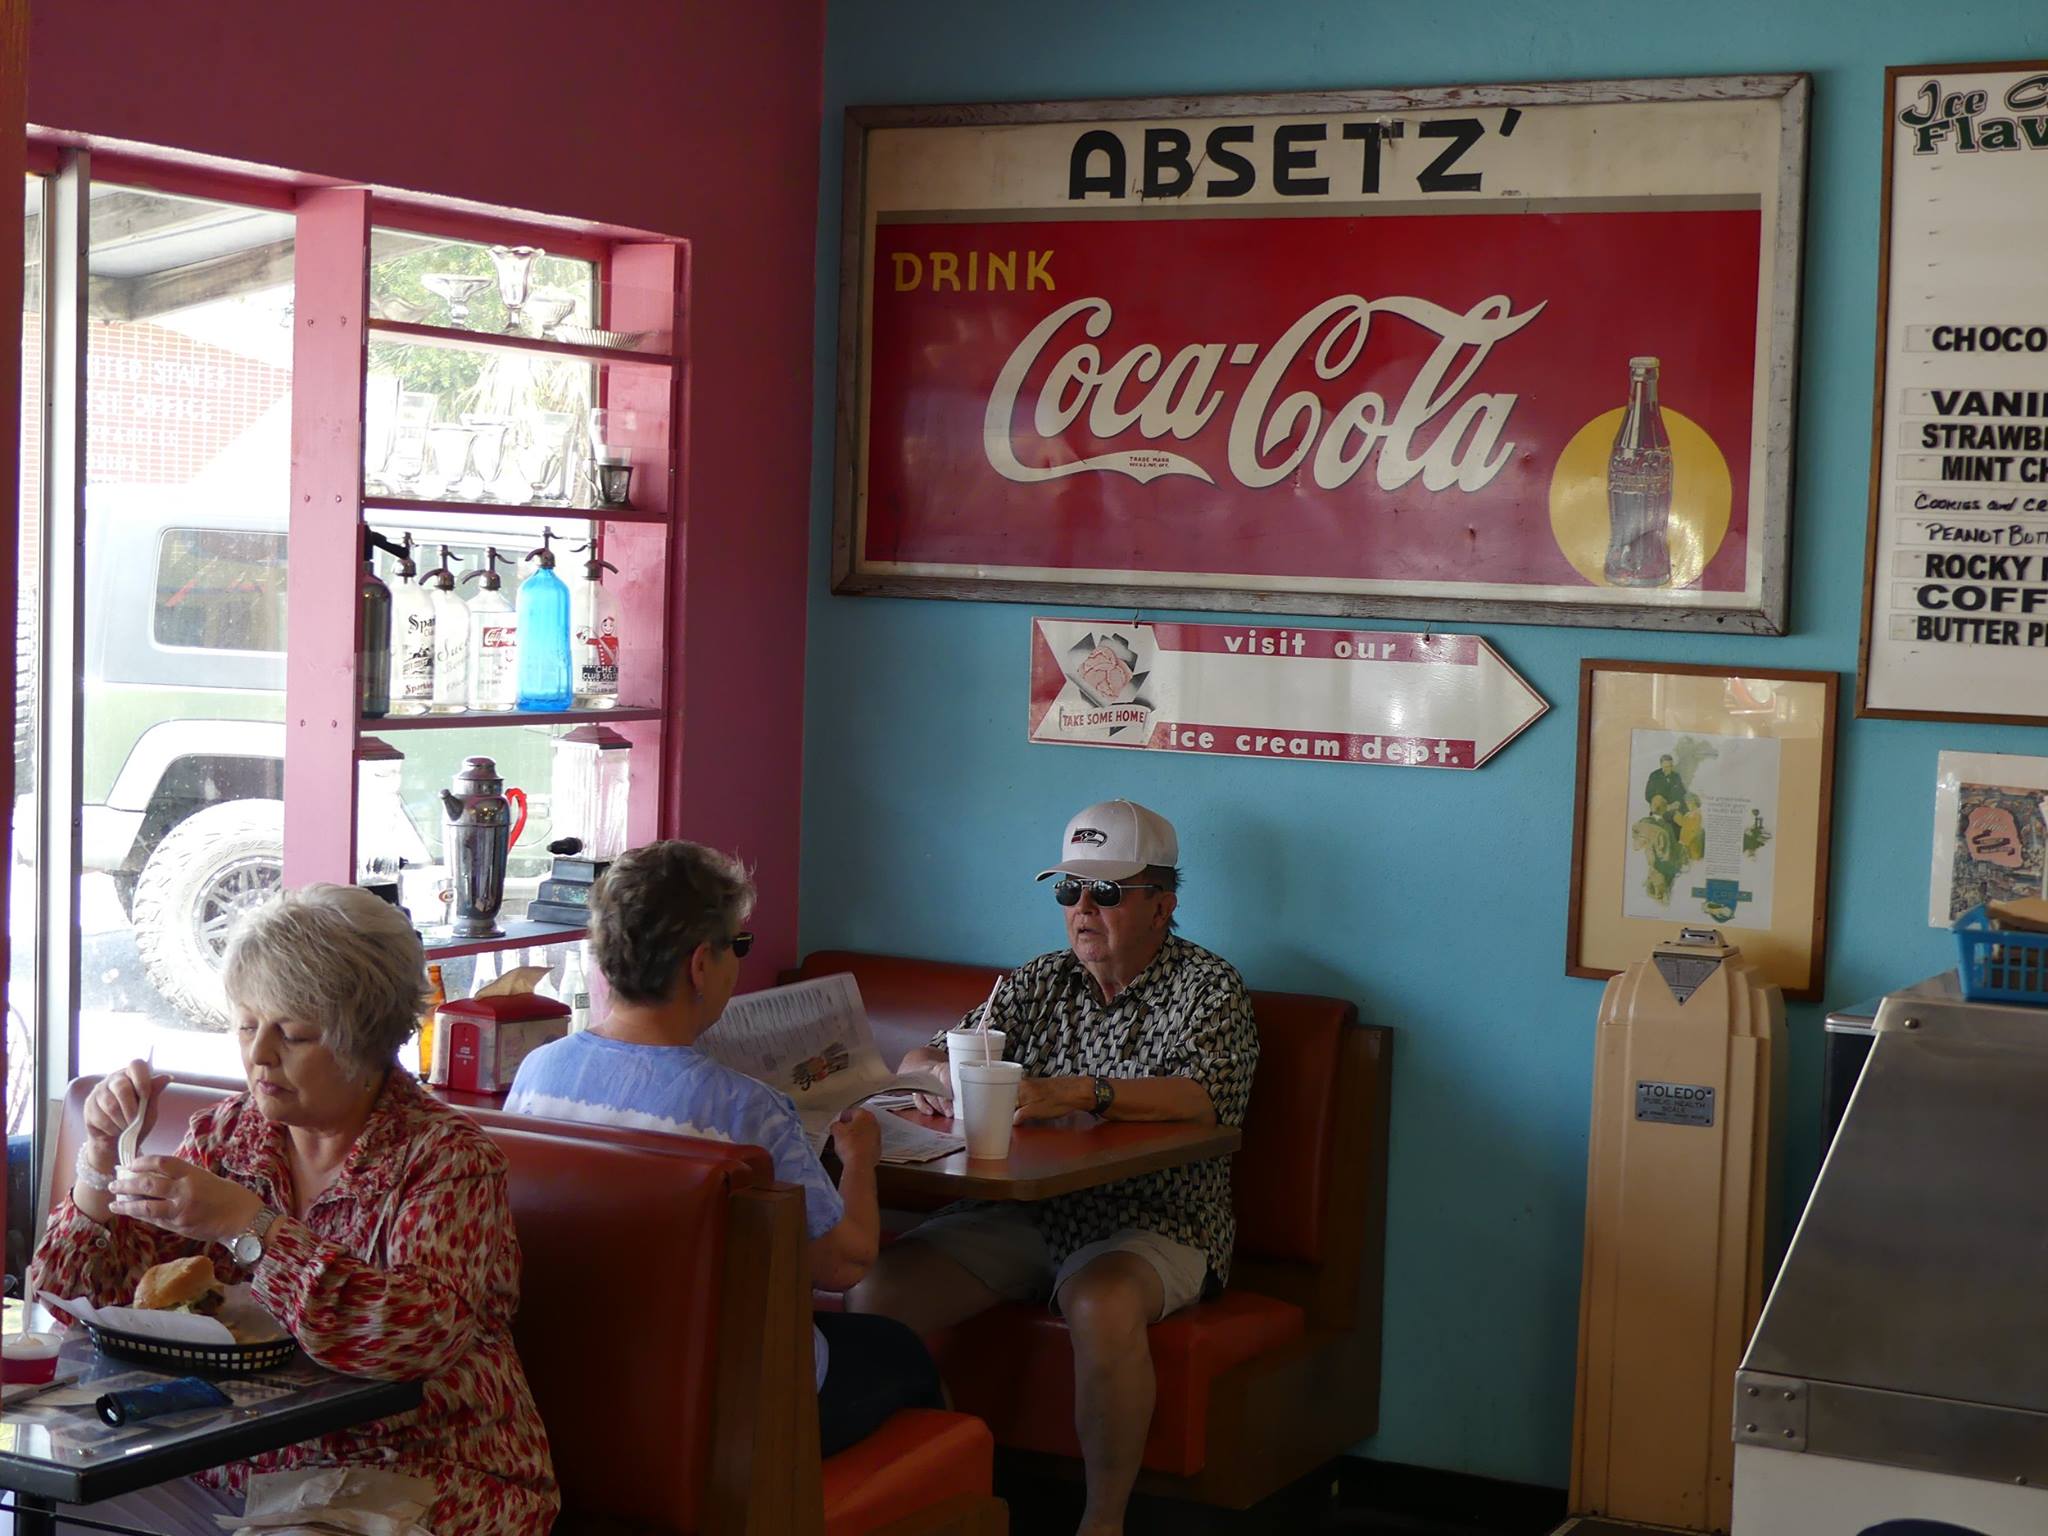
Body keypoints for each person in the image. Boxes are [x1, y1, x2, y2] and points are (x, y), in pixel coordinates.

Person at [29, 884, 558, 1536]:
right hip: (231, 1462)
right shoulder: (227, 1136)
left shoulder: (446, 1160)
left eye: (294, 1033)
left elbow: (417, 1336)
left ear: (367, 1039)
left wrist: (248, 1227)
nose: (258, 1054)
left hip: (421, 1470)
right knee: (56, 1508)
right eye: (246, 1025)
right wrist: (99, 1160)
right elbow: (78, 1306)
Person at [849, 798, 1259, 1536]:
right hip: (1021, 1211)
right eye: (1069, 890)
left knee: (1101, 1304)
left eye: (1106, 892)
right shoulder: (1036, 981)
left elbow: (1203, 1098)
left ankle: (1102, 1523)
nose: (1082, 910)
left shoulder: (1210, 988)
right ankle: (953, 1493)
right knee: (877, 1293)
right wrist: (943, 1082)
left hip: (1154, 1216)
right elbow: (921, 1055)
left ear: (1162, 903)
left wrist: (1081, 1091)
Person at [504, 839, 943, 1456]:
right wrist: (859, 1162)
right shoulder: (746, 1109)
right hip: (727, 1402)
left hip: (571, 1382)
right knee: (899, 1350)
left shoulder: (538, 1073)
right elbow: (843, 1264)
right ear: (700, 966)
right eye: (739, 945)